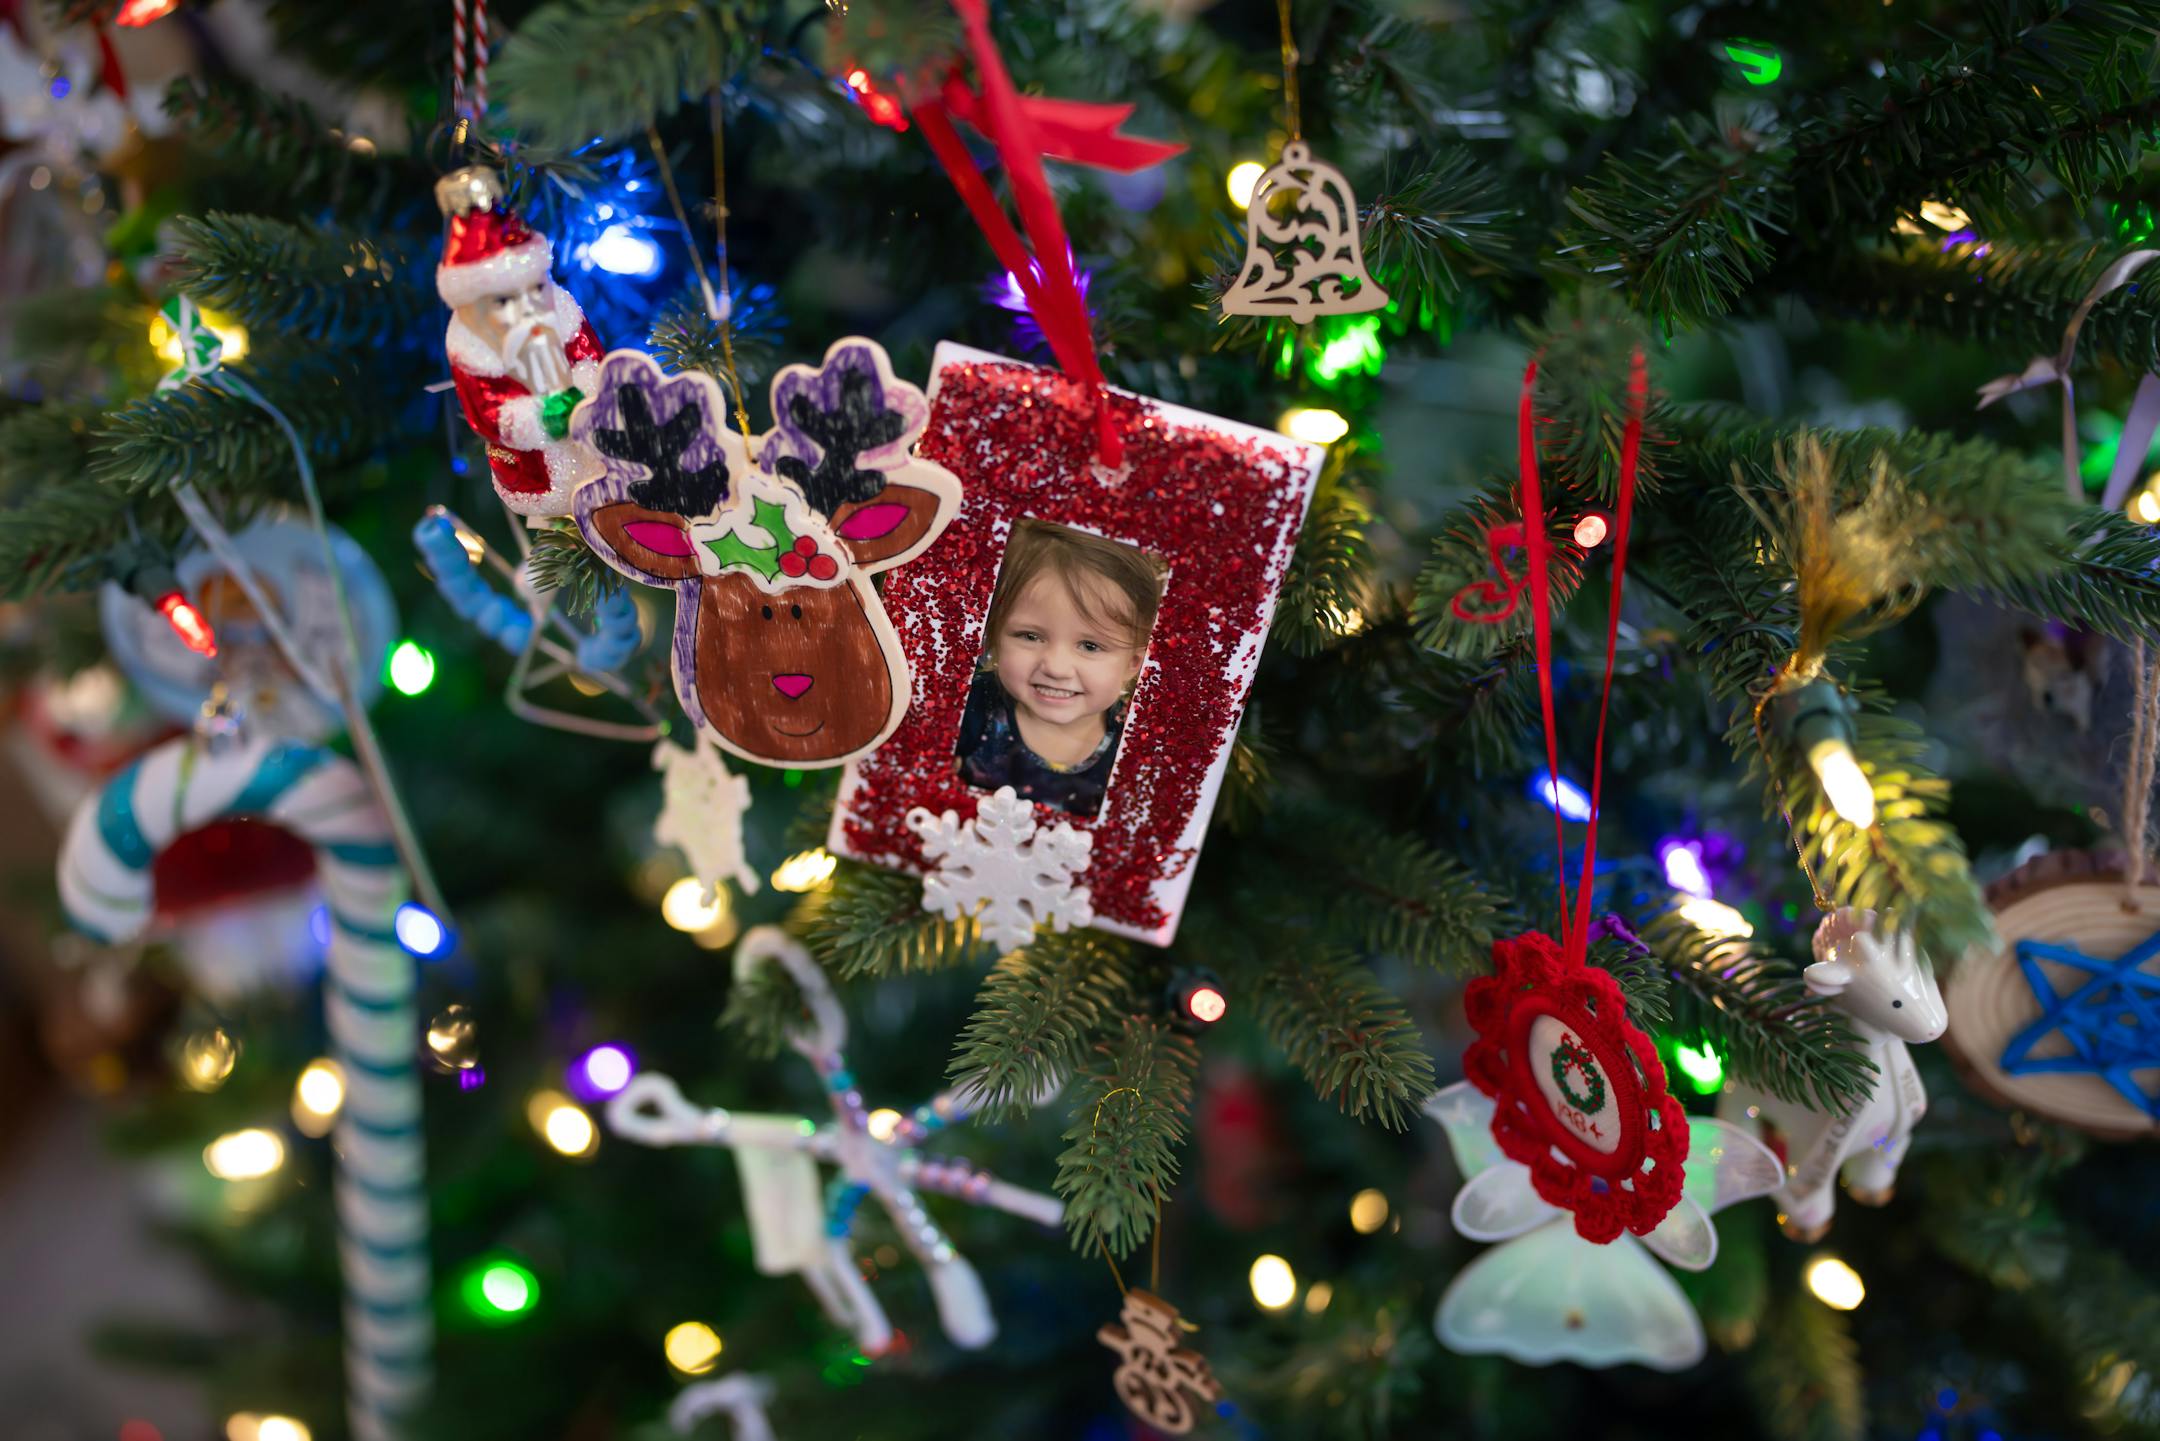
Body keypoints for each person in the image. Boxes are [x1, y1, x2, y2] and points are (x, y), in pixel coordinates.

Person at [956, 522, 1163, 816]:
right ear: (994, 635)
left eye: (1090, 646)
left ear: (1133, 663)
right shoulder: (968, 705)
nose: (1056, 667)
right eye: (1030, 636)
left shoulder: (1139, 744)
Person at [436, 166, 605, 518]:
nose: (527, 310)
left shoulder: (563, 314)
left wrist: (587, 389)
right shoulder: (471, 354)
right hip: (533, 473)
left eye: (537, 288)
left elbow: (591, 357)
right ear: (468, 308)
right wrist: (547, 416)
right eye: (502, 301)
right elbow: (489, 415)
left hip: (597, 446)